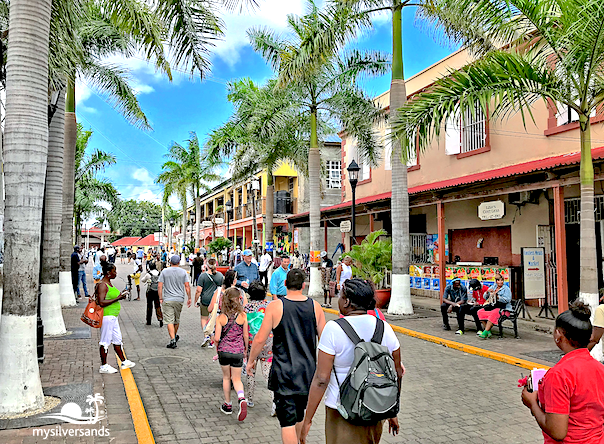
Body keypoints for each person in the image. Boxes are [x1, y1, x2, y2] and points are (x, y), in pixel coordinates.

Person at [300, 279, 403, 444]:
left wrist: (308, 419)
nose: (338, 300)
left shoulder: (334, 329)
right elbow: (397, 372)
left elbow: (321, 379)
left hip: (342, 411)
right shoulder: (384, 327)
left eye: (340, 296)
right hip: (375, 409)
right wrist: (391, 412)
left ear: (347, 301)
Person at [247, 269, 326, 444]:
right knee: (299, 414)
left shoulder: (275, 306)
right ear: (304, 286)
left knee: (287, 421)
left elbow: (260, 338)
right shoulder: (316, 307)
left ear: (284, 284)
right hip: (307, 372)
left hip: (284, 372)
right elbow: (326, 341)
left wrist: (251, 361)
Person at [521, 302, 604, 443]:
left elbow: (558, 432)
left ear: (558, 335)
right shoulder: (600, 369)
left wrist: (532, 403)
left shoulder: (559, 375)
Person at [214, 287, 249, 421]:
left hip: (224, 351)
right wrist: (245, 349)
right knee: (237, 379)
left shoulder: (220, 317)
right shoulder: (243, 316)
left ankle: (228, 405)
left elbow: (217, 338)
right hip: (238, 351)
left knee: (226, 378)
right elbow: (245, 335)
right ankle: (241, 398)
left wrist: (217, 346)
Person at [96, 263, 136, 374]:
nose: (116, 273)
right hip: (107, 316)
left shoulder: (109, 283)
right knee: (105, 341)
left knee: (117, 340)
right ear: (108, 273)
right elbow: (101, 302)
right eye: (114, 271)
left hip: (113, 317)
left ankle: (124, 361)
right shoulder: (103, 285)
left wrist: (122, 294)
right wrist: (118, 297)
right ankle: (104, 365)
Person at [243, 281, 274, 412]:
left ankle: (249, 399)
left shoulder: (246, 308)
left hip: (252, 344)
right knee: (268, 373)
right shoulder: (270, 306)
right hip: (269, 343)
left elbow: (244, 329)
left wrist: (244, 348)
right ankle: (275, 400)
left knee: (250, 372)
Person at [159, 255, 192, 349]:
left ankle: (173, 339)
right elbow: (187, 286)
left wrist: (160, 297)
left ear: (170, 262)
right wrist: (189, 298)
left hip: (168, 299)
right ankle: (173, 337)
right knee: (176, 320)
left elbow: (160, 286)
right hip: (179, 299)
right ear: (178, 262)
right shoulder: (183, 272)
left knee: (169, 320)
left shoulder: (164, 271)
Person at [195, 258, 224, 347]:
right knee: (215, 319)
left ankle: (207, 335)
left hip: (205, 300)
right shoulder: (220, 276)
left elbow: (198, 290)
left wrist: (195, 300)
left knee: (204, 318)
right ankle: (214, 338)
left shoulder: (203, 276)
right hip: (217, 301)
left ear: (207, 265)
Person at [477, 274, 512, 339]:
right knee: (480, 312)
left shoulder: (506, 289)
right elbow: (485, 297)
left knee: (494, 313)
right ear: (496, 281)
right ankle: (488, 331)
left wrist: (498, 297)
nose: (500, 282)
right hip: (493, 306)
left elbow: (507, 299)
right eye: (498, 280)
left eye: (502, 280)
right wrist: (487, 292)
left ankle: (485, 331)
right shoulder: (493, 287)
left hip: (504, 309)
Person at [141, 262, 163, 327]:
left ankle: (148, 321)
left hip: (150, 291)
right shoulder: (159, 273)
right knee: (158, 306)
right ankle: (160, 318)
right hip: (157, 292)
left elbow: (143, 280)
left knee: (149, 306)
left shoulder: (148, 274)